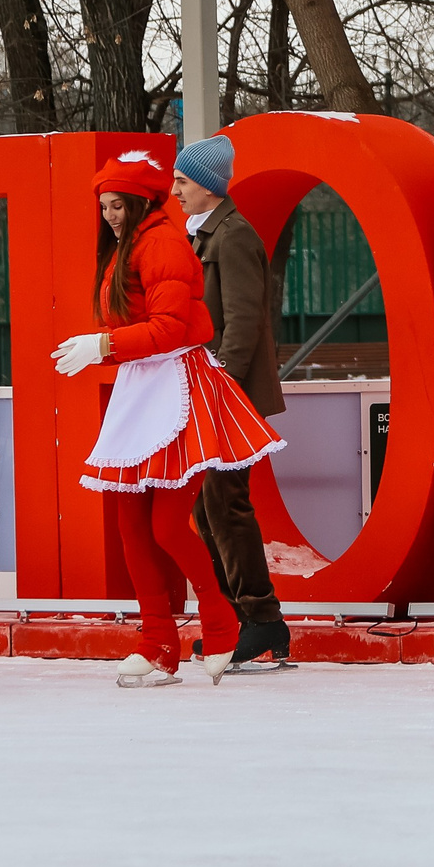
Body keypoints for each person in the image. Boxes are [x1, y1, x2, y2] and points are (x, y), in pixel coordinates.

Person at [56, 150, 284, 687]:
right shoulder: (143, 243)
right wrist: (103, 345)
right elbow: (140, 321)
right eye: (104, 206)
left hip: (179, 385)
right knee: (135, 524)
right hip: (145, 383)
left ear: (140, 203)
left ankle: (230, 622)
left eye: (118, 205)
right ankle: (158, 640)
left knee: (181, 520)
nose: (109, 215)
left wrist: (104, 345)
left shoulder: (172, 240)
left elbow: (193, 325)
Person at [172, 135, 293, 673]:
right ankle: (244, 619)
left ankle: (259, 618)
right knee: (209, 506)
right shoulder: (205, 234)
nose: (175, 190)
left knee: (224, 502)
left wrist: (224, 384)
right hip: (212, 389)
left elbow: (244, 319)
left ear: (208, 186)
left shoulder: (234, 235)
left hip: (227, 392)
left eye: (182, 181)